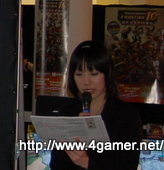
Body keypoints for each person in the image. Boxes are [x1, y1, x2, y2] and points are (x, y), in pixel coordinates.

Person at [50, 40, 142, 170]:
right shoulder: (68, 110)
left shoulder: (126, 116)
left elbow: (127, 165)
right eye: (79, 74)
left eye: (94, 74)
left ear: (107, 74)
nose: (86, 82)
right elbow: (56, 164)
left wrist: (87, 162)